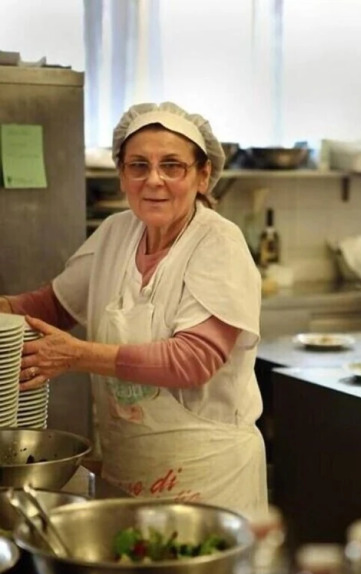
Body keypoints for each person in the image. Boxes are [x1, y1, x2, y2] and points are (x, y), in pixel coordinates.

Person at [0, 101, 268, 520]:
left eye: (172, 166)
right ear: (122, 174)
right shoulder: (116, 232)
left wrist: (76, 355)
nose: (153, 180)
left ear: (202, 175)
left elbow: (194, 359)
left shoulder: (218, 243)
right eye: (138, 166)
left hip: (209, 479)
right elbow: (49, 306)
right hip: (130, 471)